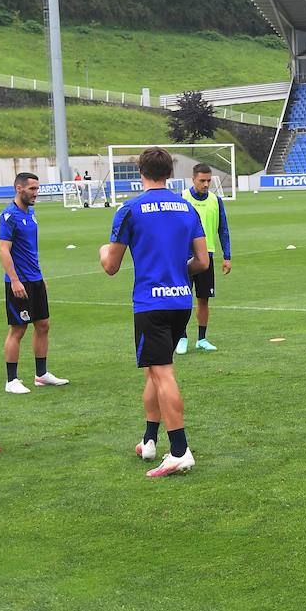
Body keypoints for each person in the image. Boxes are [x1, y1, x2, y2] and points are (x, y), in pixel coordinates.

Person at [99, 147, 210, 476]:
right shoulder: (187, 208)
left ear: (140, 171)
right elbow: (202, 262)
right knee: (154, 369)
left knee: (162, 373)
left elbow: (111, 266)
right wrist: (177, 275)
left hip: (151, 303)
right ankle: (149, 441)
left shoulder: (130, 209)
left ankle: (179, 450)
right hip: (181, 300)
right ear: (170, 172)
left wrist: (102, 250)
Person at [0, 172, 68, 393]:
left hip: (35, 279)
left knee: (43, 325)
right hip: (19, 283)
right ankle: (11, 380)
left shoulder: (31, 212)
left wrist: (40, 277)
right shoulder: (9, 216)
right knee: (18, 329)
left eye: (37, 189)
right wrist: (15, 281)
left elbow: (29, 250)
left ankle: (41, 374)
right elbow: (3, 250)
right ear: (19, 188)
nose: (36, 193)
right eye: (32, 189)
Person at [176, 164, 233, 354]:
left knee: (203, 299)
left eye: (209, 180)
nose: (206, 184)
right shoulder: (182, 199)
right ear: (193, 179)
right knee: (183, 298)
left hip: (206, 257)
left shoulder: (216, 201)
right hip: (183, 256)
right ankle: (182, 337)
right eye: (202, 180)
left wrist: (227, 256)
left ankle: (202, 338)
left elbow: (222, 229)